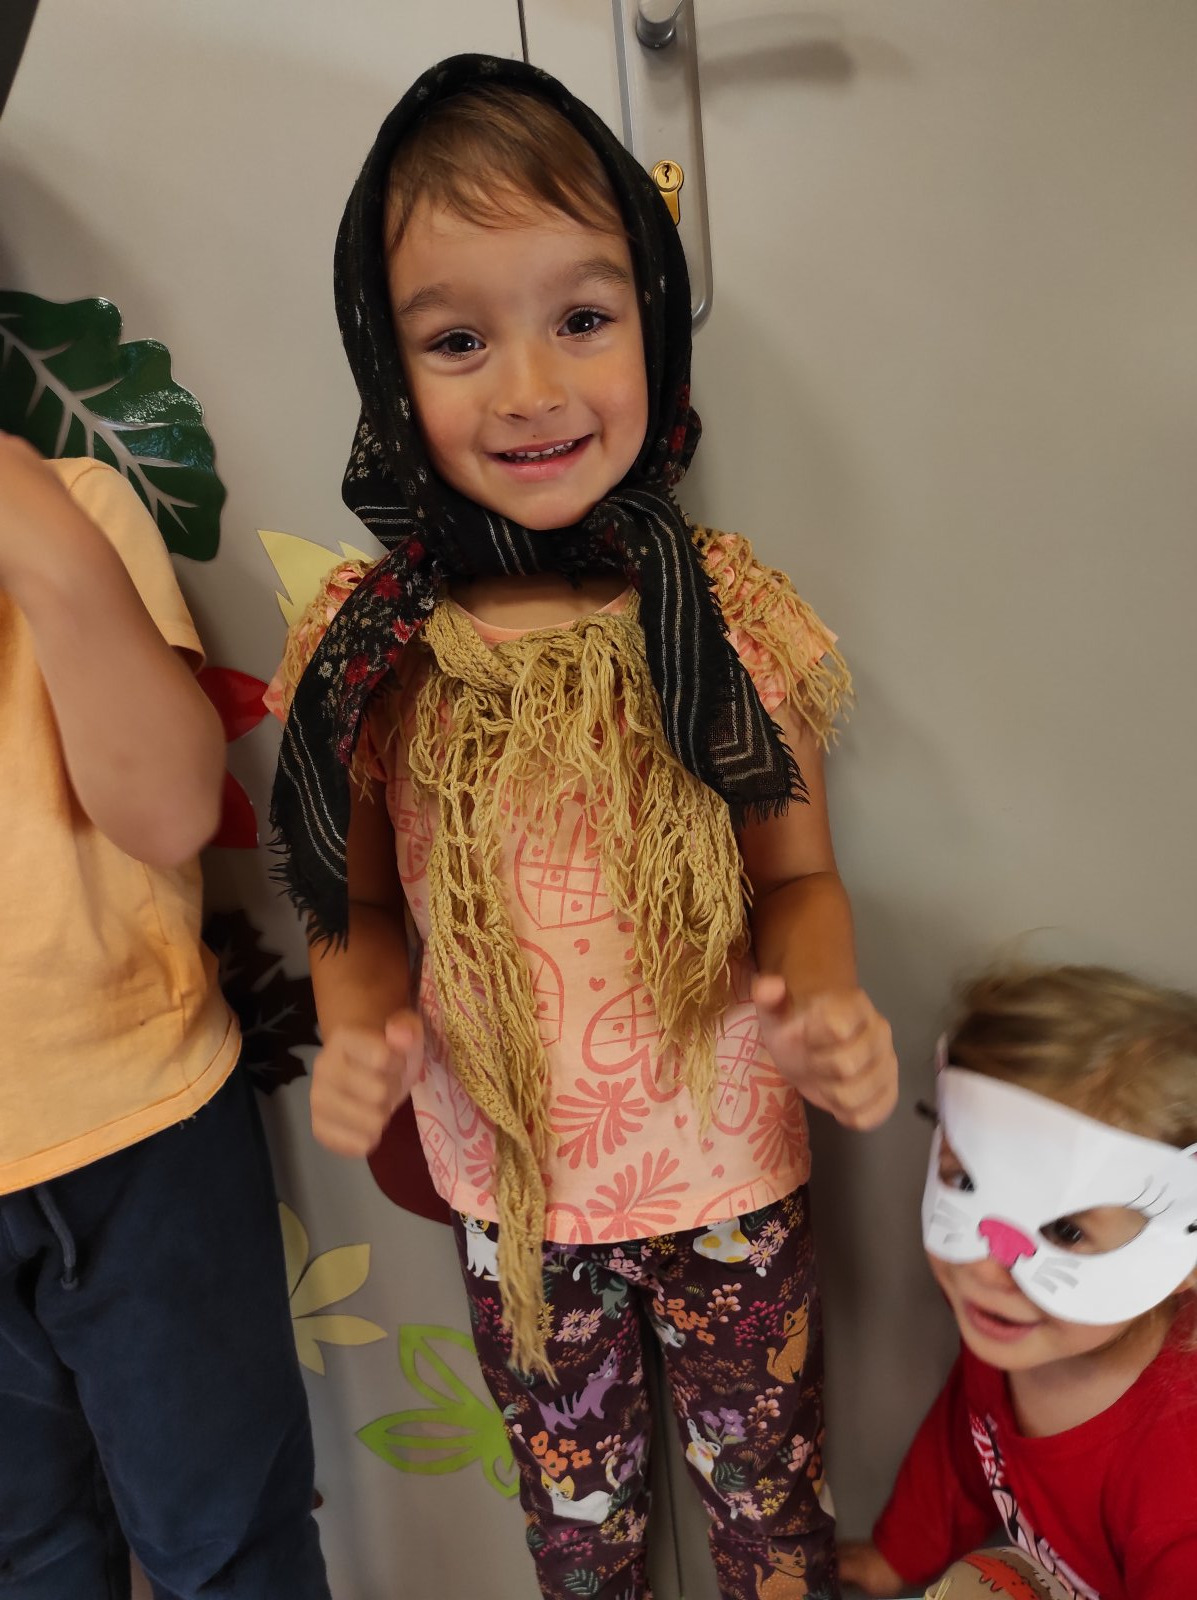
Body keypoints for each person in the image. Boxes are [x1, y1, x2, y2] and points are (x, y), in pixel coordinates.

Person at [268, 54, 897, 1600]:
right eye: (457, 339)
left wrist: (825, 993)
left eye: (584, 318)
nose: (530, 389)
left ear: (656, 324)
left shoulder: (720, 611)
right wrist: (360, 1024)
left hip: (732, 1174)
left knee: (772, 1520)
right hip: (517, 1202)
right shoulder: (375, 647)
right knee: (576, 1535)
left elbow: (797, 872)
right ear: (384, 363)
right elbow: (355, 901)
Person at [0, 435, 330, 1599]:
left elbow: (173, 809)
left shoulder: (72, 504)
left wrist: (40, 537)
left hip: (144, 1131)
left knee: (230, 1543)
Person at [839, 965, 1197, 1600]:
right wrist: (898, 1555)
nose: (985, 1268)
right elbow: (962, 1454)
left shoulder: (1178, 1467)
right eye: (965, 1182)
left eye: (1066, 1231)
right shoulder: (1014, 1332)